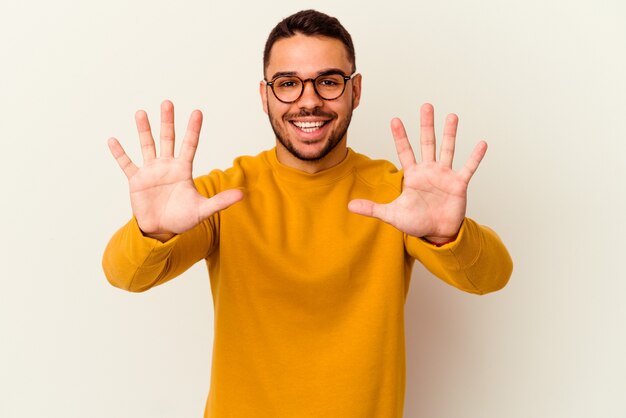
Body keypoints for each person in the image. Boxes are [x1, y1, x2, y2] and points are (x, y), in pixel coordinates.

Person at [103, 9, 513, 418]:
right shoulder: (220, 196)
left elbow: (491, 278)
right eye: (288, 84)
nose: (309, 100)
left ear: (355, 91)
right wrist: (151, 231)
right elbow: (125, 276)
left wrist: (447, 234)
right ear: (264, 96)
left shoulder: (398, 198)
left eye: (329, 82)